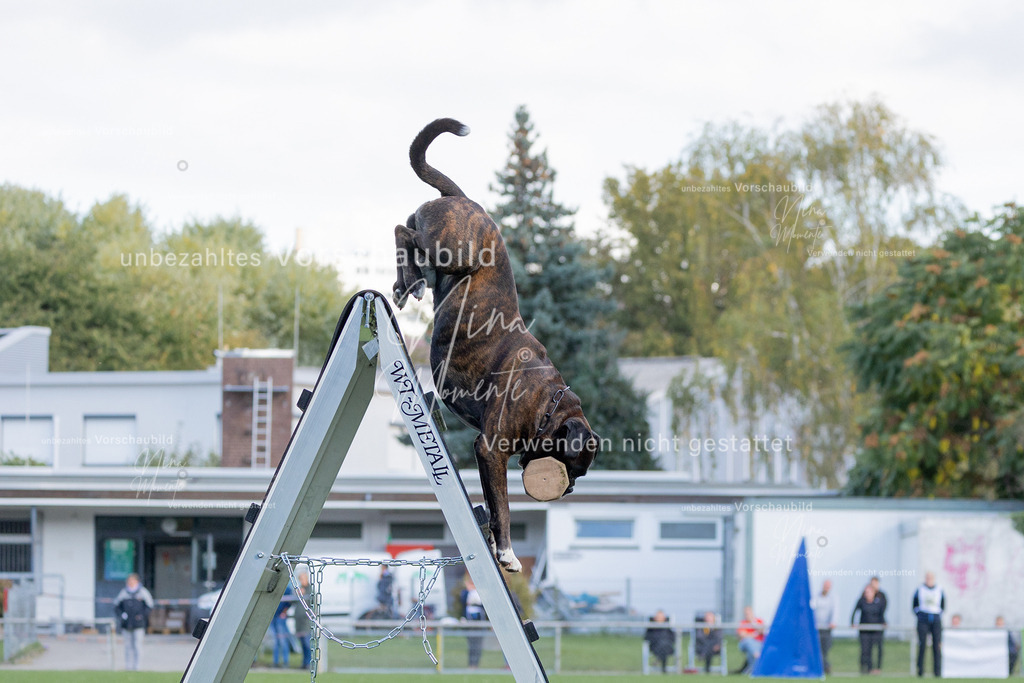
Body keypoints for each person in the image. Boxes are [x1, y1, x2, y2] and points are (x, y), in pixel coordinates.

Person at [114, 572, 154, 671]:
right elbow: (117, 606)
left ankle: (137, 667)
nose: (130, 582)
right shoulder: (124, 592)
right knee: (127, 646)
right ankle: (128, 666)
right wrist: (122, 615)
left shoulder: (142, 592)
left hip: (138, 624)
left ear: (136, 581)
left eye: (132, 580)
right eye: (128, 581)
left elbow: (149, 606)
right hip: (126, 624)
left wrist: (141, 616)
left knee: (137, 645)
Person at [912, 571, 945, 677]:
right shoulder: (920, 589)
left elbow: (943, 605)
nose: (929, 579)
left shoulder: (939, 589)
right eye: (927, 577)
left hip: (935, 620)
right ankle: (920, 671)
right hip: (923, 620)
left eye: (931, 578)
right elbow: (914, 605)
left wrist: (938, 615)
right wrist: (920, 615)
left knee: (937, 646)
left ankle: (937, 672)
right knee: (922, 645)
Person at [851, 583, 886, 674]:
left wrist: (884, 622)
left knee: (872, 649)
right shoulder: (862, 601)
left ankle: (872, 668)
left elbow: (881, 614)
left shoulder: (878, 602)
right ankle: (863, 668)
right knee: (864, 650)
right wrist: (852, 622)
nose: (867, 594)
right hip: (864, 630)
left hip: (874, 630)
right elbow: (855, 611)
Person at [811, 579, 838, 674]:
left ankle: (824, 666)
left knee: (825, 650)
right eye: (825, 586)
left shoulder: (832, 599)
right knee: (817, 649)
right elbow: (812, 609)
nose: (826, 588)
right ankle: (823, 667)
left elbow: (834, 611)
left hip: (827, 629)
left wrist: (833, 622)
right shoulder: (816, 597)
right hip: (817, 628)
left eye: (828, 586)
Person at [461, 575, 485, 668]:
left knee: (478, 645)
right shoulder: (466, 593)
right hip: (470, 623)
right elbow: (463, 601)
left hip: (479, 622)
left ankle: (476, 663)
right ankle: (471, 664)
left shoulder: (481, 593)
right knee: (471, 645)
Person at [733, 605, 765, 674]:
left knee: (751, 651)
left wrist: (753, 623)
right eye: (746, 614)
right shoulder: (743, 623)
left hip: (759, 644)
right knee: (748, 641)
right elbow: (742, 635)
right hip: (745, 644)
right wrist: (755, 633)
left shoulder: (758, 621)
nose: (747, 615)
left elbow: (762, 630)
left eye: (749, 613)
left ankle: (752, 669)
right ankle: (757, 657)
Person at [292, 571, 313, 669]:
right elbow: (293, 602)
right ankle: (304, 663)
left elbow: (313, 605)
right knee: (302, 644)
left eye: (303, 579)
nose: (302, 581)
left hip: (306, 622)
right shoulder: (299, 589)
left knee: (307, 643)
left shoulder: (310, 590)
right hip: (299, 622)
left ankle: (309, 663)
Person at [270, 582, 293, 667]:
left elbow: (290, 602)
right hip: (273, 617)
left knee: (283, 640)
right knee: (275, 641)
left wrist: (284, 612)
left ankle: (285, 662)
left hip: (280, 618)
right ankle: (275, 662)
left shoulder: (288, 588)